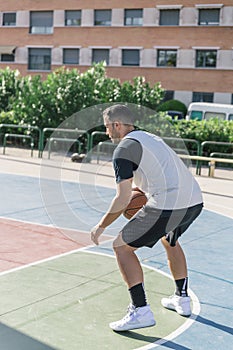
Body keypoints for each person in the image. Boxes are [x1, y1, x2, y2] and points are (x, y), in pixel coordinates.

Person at [90, 104, 203, 332]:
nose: (107, 133)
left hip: (167, 204)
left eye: (107, 128)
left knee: (121, 247)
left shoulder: (123, 149)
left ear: (117, 125)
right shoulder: (150, 137)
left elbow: (123, 198)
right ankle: (181, 297)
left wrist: (101, 226)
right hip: (193, 200)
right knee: (169, 239)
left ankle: (140, 310)